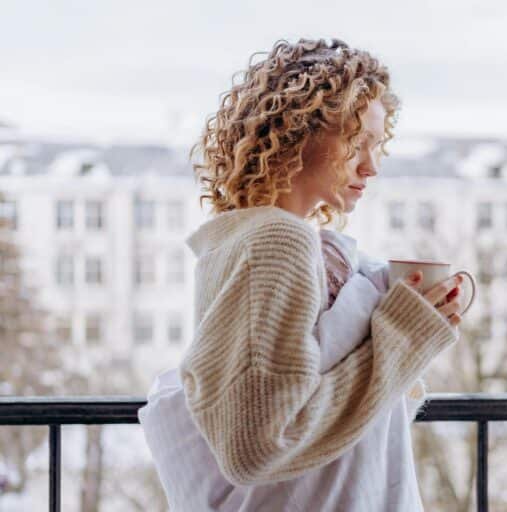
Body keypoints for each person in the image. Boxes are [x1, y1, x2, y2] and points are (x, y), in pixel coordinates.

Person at [138, 37, 466, 511]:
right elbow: (258, 447)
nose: (371, 166)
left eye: (377, 146)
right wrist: (403, 337)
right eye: (357, 141)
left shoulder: (237, 239)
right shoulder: (280, 241)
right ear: (299, 132)